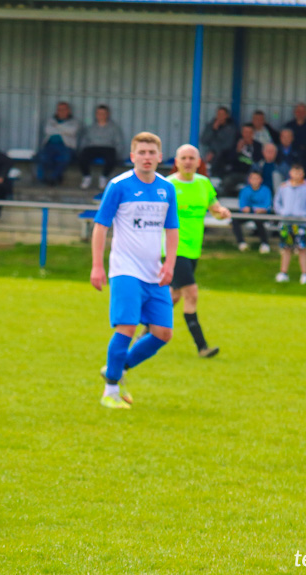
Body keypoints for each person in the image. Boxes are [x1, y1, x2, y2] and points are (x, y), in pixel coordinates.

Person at [90, 132, 178, 409]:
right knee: (126, 327)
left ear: (160, 157)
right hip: (125, 269)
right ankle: (110, 392)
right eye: (142, 152)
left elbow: (172, 229)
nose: (147, 157)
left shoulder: (167, 188)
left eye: (152, 153)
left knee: (163, 332)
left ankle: (117, 368)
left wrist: (170, 264)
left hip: (155, 272)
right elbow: (101, 226)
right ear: (132, 156)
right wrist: (97, 266)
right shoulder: (119, 186)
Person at [167, 144, 231, 358]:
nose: (187, 161)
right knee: (191, 293)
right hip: (174, 248)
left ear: (198, 162)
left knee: (174, 296)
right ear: (176, 161)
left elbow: (214, 206)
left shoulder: (204, 183)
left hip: (194, 248)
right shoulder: (168, 185)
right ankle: (202, 346)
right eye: (183, 158)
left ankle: (146, 331)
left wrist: (221, 212)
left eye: (191, 158)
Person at [274, 164, 306, 285]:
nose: (297, 175)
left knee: (302, 248)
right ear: (290, 173)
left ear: (303, 174)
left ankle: (304, 274)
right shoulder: (283, 187)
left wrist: (304, 213)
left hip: (301, 223)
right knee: (286, 248)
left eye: (299, 173)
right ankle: (283, 272)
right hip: (286, 221)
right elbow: (277, 202)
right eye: (295, 172)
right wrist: (282, 212)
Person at [78, 104, 124, 190]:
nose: (101, 115)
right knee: (82, 157)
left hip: (108, 147)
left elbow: (119, 142)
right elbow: (84, 141)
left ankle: (104, 177)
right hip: (92, 147)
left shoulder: (114, 127)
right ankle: (87, 177)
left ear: (107, 114)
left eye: (103, 113)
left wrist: (118, 154)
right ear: (96, 114)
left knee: (111, 158)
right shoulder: (90, 127)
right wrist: (81, 150)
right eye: (99, 113)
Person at [36, 101, 81, 186]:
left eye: (64, 109)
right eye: (59, 109)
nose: (61, 111)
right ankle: (44, 179)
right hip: (49, 146)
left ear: (69, 111)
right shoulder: (51, 120)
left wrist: (56, 126)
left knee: (65, 158)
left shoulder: (74, 121)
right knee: (42, 157)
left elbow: (72, 131)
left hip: (66, 146)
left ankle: (53, 178)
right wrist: (64, 129)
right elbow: (47, 130)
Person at [233, 170, 272, 253]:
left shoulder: (266, 190)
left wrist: (253, 209)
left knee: (258, 219)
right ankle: (241, 243)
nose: (255, 180)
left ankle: (265, 244)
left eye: (257, 178)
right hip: (249, 214)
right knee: (235, 220)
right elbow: (243, 207)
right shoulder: (245, 190)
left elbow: (266, 207)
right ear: (249, 180)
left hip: (262, 215)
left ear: (261, 180)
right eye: (253, 178)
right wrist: (253, 209)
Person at [221, 123, 263, 194]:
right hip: (235, 173)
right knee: (226, 181)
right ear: (242, 133)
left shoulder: (257, 145)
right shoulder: (235, 144)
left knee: (253, 181)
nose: (247, 135)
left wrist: (251, 146)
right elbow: (229, 161)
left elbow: (258, 161)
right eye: (245, 132)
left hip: (250, 173)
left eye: (249, 132)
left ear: (253, 133)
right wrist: (237, 150)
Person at [200, 106, 237, 176]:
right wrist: (213, 130)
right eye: (218, 114)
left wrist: (214, 152)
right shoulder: (210, 126)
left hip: (224, 158)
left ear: (227, 116)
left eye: (222, 115)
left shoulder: (231, 128)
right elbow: (203, 141)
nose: (220, 117)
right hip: (208, 156)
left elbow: (229, 145)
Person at [283, 103, 306, 175]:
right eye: (298, 111)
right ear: (295, 112)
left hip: (305, 160)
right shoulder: (288, 125)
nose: (300, 113)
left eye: (303, 111)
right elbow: (284, 141)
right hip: (288, 159)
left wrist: (293, 142)